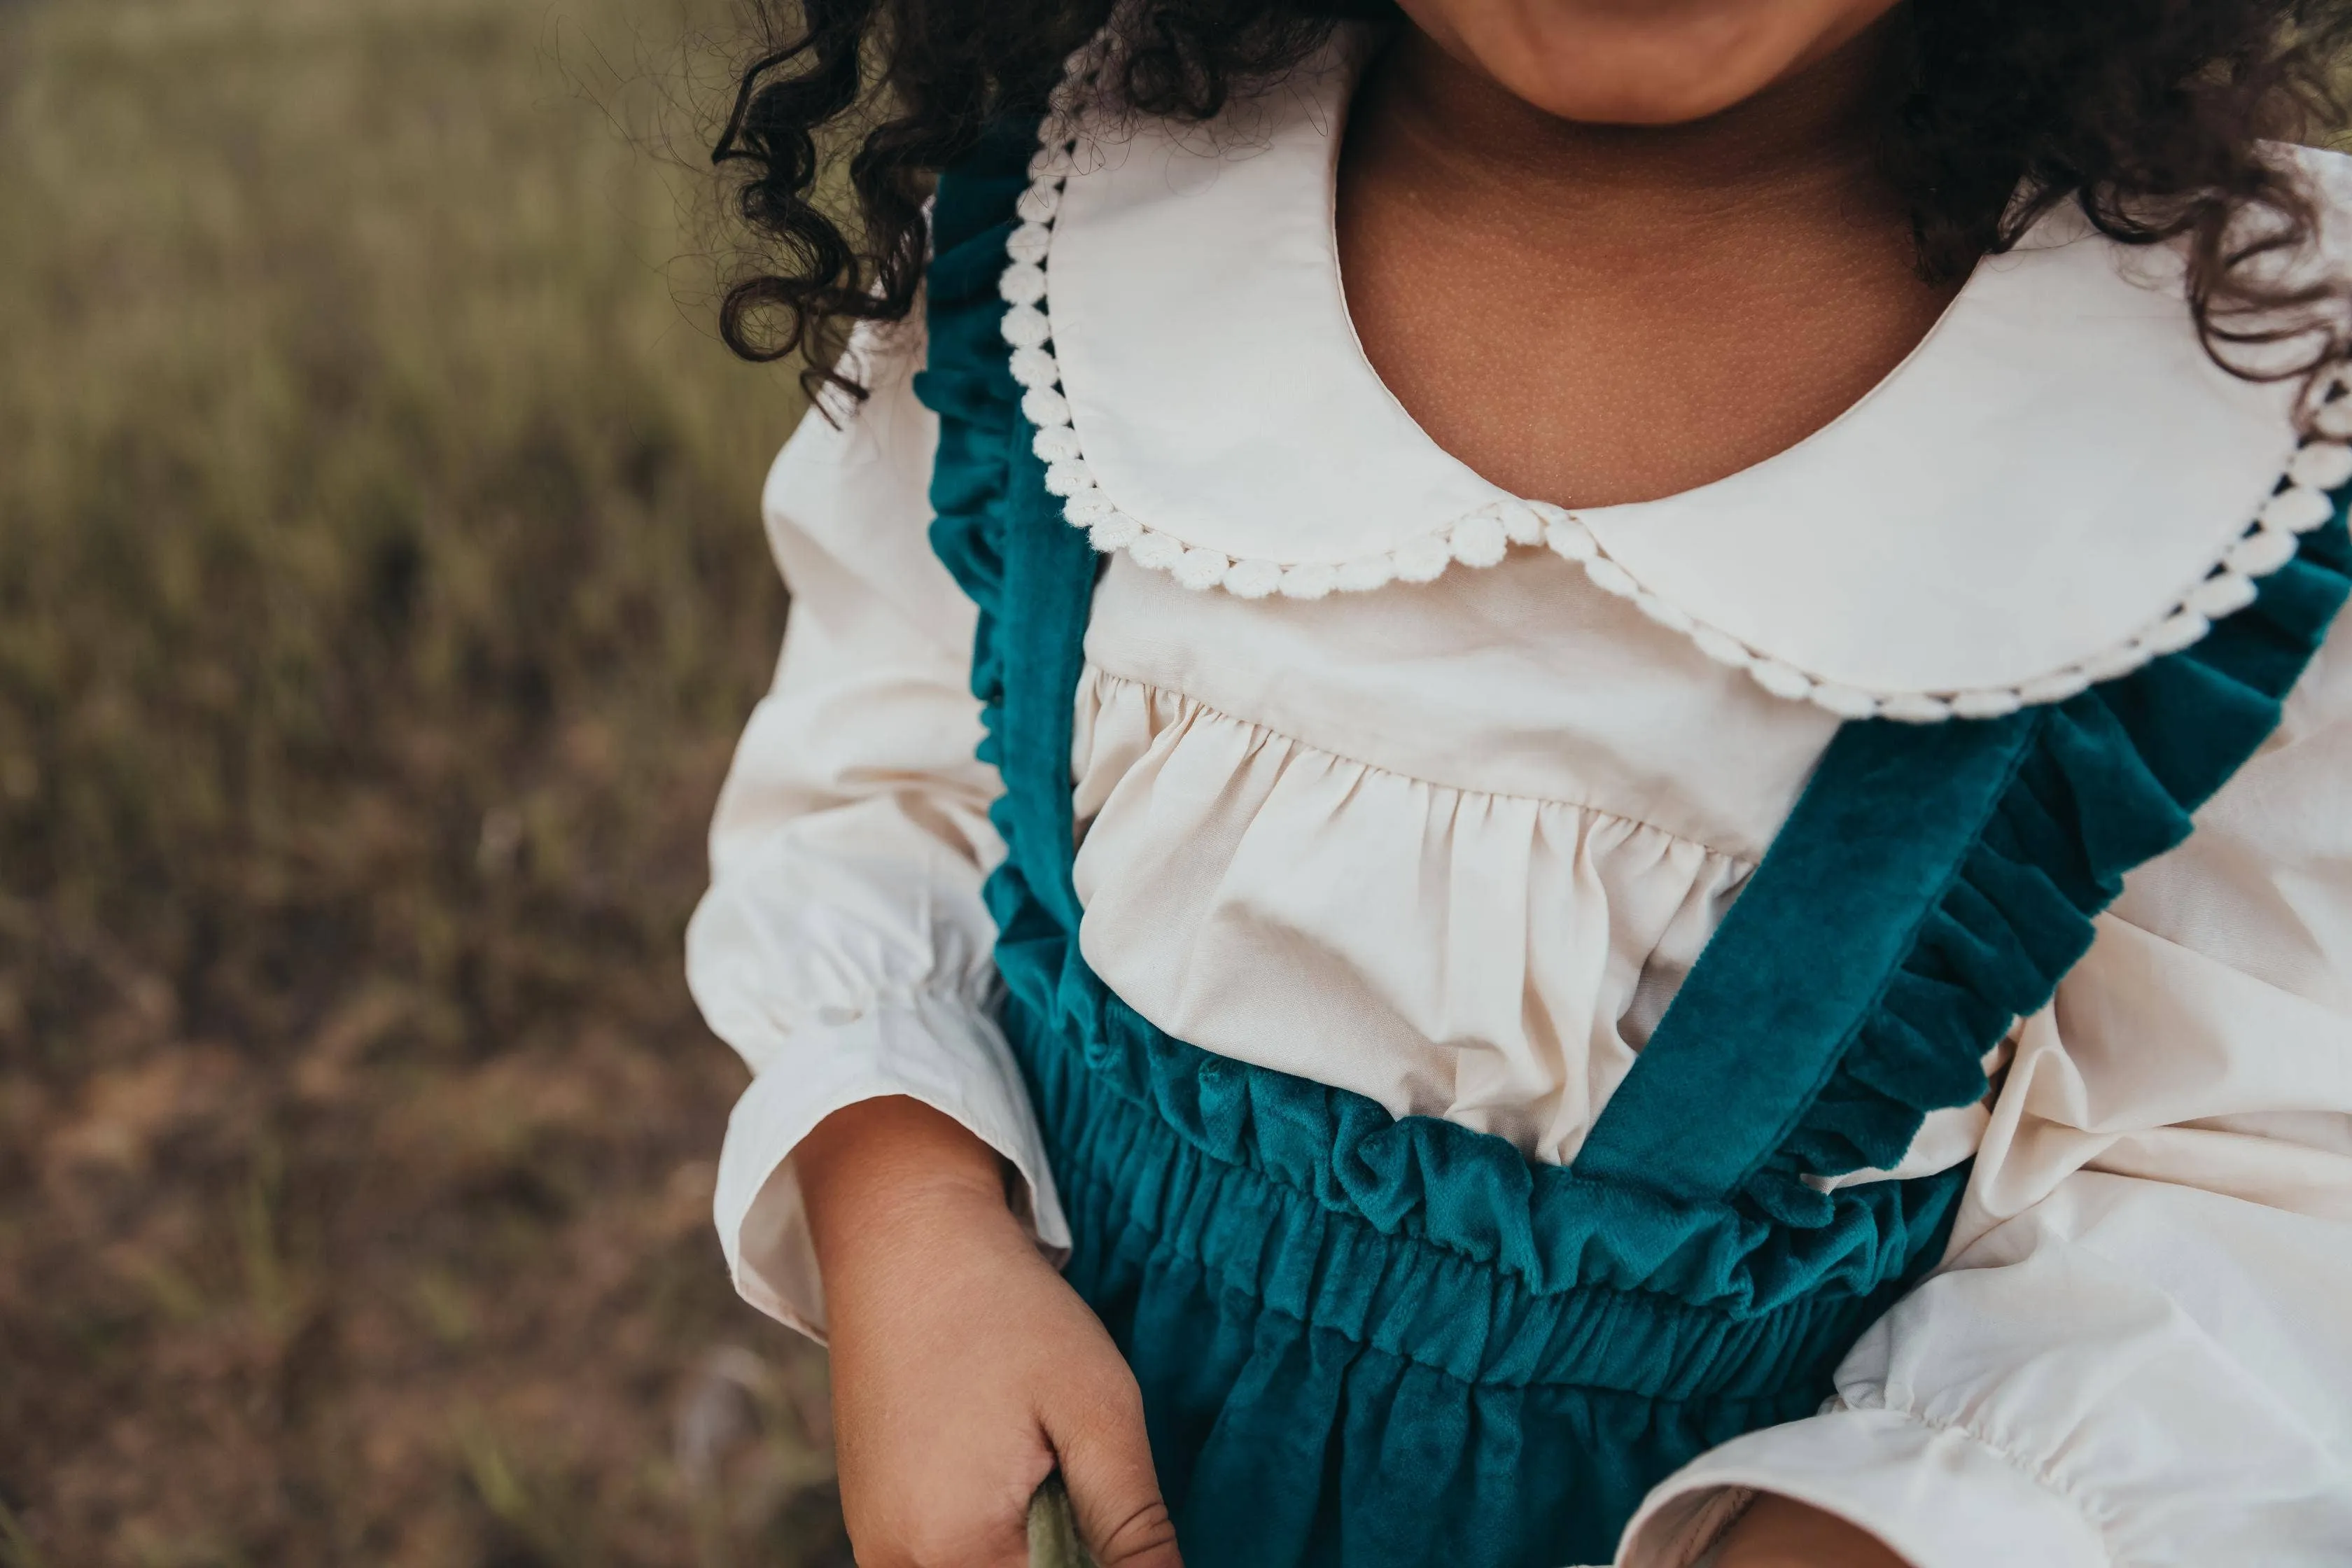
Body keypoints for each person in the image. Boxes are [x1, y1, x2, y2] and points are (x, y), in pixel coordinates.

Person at [685, 1, 2352, 1563]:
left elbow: (2258, 1187)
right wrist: (905, 1200)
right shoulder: (1071, 227)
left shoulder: (2228, 430)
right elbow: (886, 765)